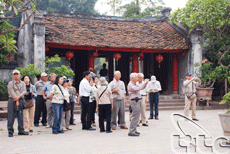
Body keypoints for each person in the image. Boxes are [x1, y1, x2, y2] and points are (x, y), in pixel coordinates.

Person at [7, 70, 28, 137]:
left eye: (17, 74)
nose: (16, 76)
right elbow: (11, 92)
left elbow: (24, 91)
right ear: (13, 75)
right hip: (12, 100)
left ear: (19, 75)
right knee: (11, 116)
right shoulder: (10, 83)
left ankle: (21, 130)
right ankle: (10, 131)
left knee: (20, 116)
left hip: (20, 99)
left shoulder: (23, 83)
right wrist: (16, 100)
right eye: (14, 74)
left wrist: (18, 97)